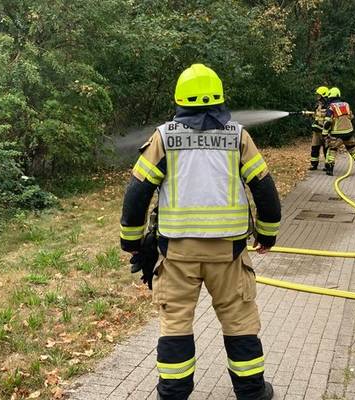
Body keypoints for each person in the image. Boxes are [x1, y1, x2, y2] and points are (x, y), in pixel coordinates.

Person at [120, 63, 281, 400]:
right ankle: (252, 392)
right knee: (239, 320)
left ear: (179, 99)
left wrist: (131, 241)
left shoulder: (165, 138)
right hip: (229, 253)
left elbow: (137, 192)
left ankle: (173, 393)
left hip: (178, 254)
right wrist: (266, 234)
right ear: (219, 97)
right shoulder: (238, 136)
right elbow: (264, 187)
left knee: (176, 323)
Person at [322, 87, 355, 176]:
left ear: (331, 96)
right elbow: (351, 117)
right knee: (352, 148)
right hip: (349, 131)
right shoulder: (346, 104)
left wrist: (324, 133)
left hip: (337, 133)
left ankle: (329, 169)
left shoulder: (331, 107)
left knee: (332, 149)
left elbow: (327, 122)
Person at [309, 86, 329, 170]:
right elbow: (316, 116)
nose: (317, 97)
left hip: (325, 132)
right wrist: (310, 115)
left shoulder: (329, 106)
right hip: (317, 132)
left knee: (326, 149)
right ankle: (314, 165)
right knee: (314, 148)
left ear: (323, 95)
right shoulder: (318, 105)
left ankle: (328, 166)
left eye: (319, 95)